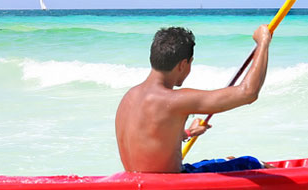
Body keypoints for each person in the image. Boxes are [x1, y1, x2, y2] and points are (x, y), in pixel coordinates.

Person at [115, 25, 272, 173]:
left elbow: (151, 139)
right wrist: (263, 42)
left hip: (137, 182)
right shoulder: (174, 100)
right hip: (170, 184)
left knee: (228, 160)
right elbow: (248, 93)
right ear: (183, 64)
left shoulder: (129, 97)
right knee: (252, 163)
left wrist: (188, 132)